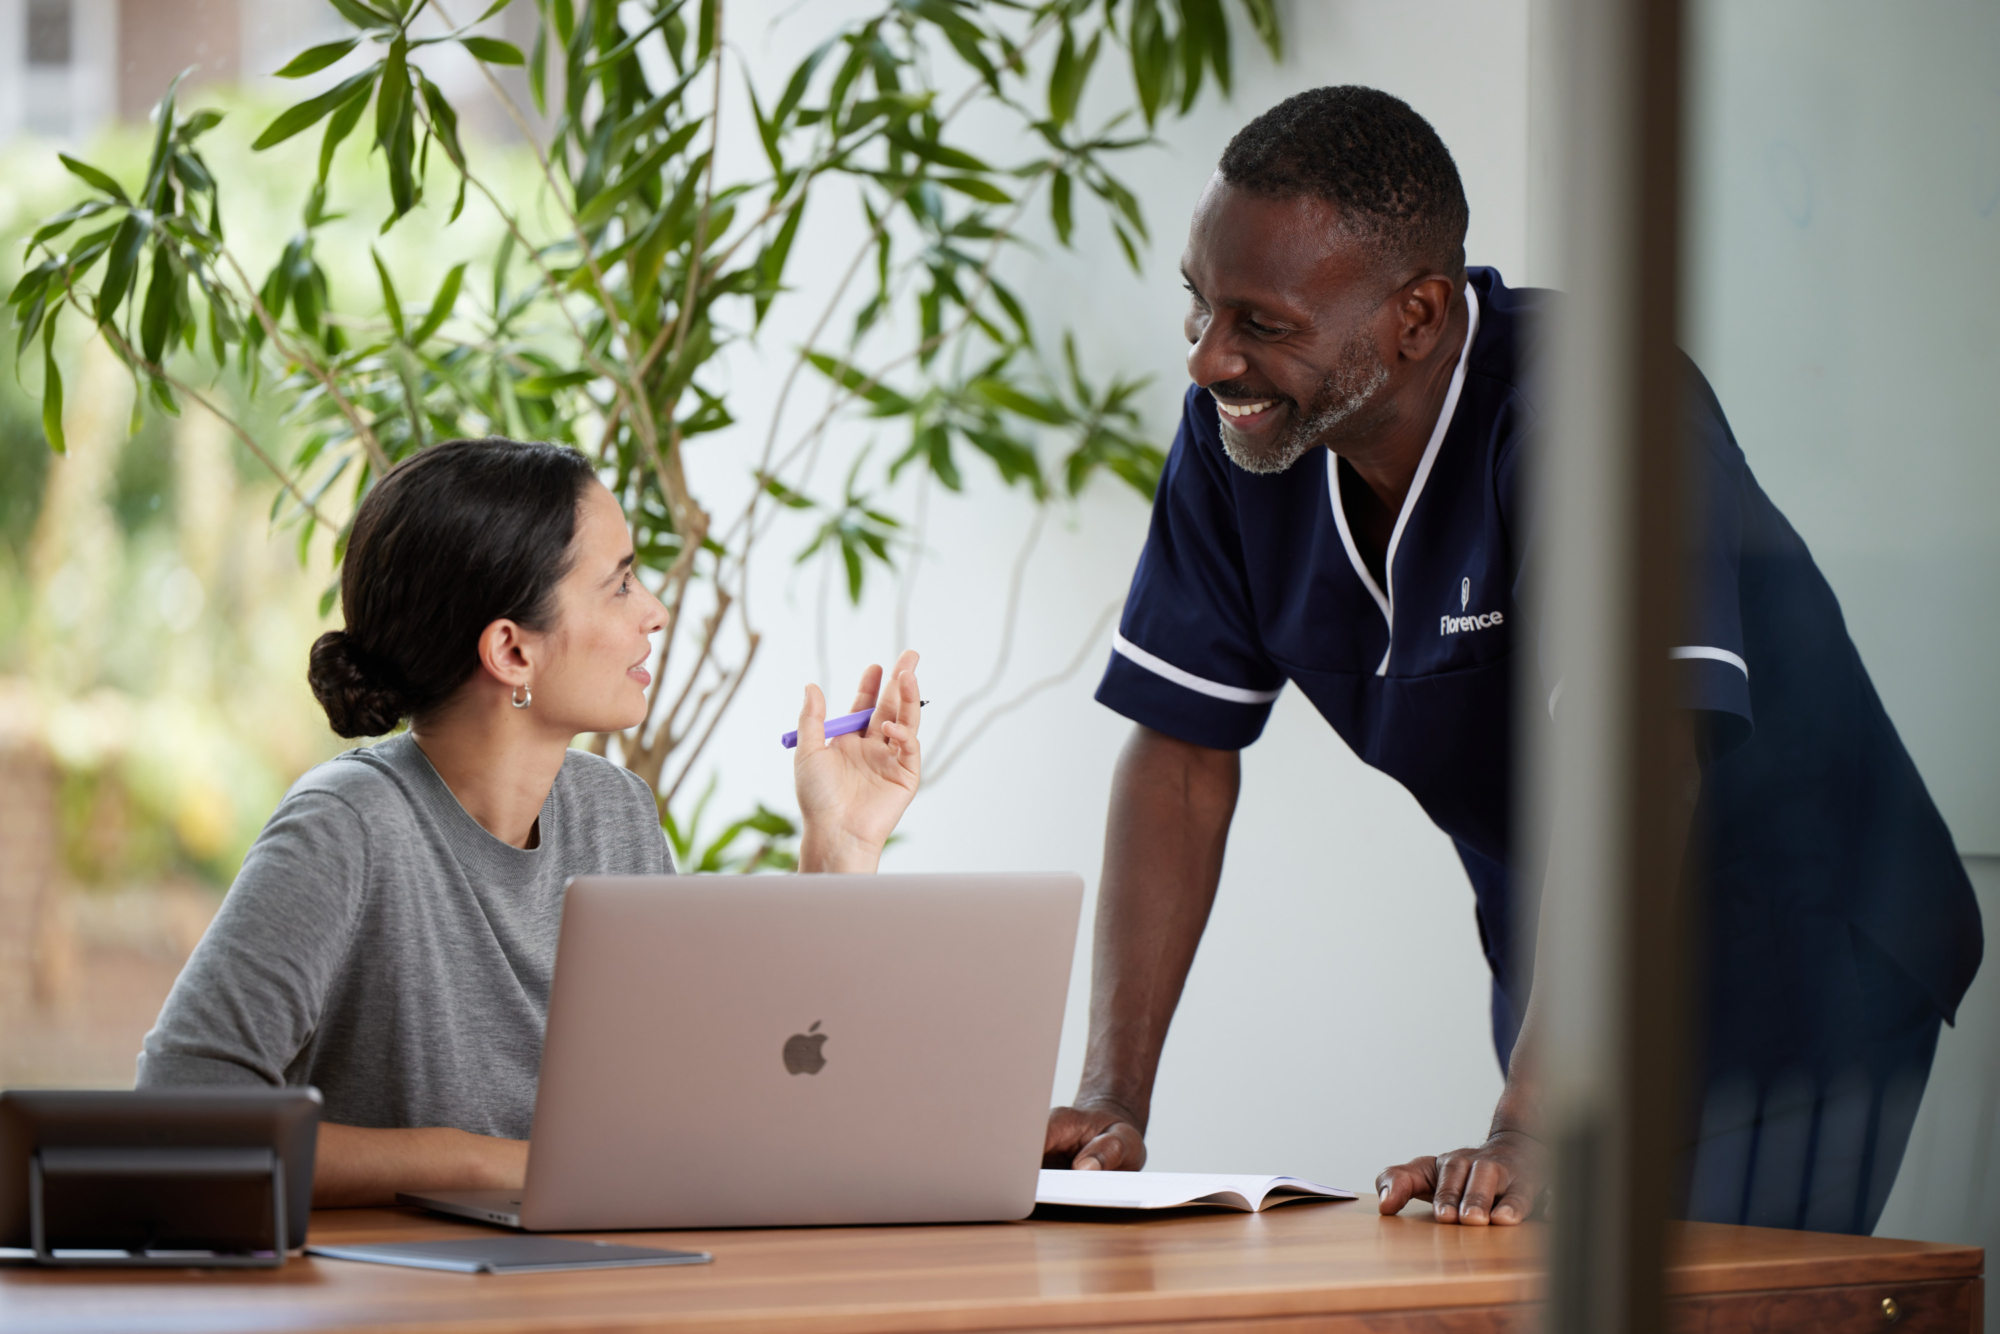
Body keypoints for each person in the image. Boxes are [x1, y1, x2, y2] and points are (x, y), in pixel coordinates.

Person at [1041, 86, 1982, 1235]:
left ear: (1418, 317)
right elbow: (1181, 756)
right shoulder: (1244, 437)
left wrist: (1530, 1121)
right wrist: (1108, 1098)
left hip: (1796, 951)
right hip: (1558, 962)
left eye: (1261, 322)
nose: (1207, 361)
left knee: (1713, 1305)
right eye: (1196, 307)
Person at [137, 437, 924, 1207]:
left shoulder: (613, 814)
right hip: (389, 1296)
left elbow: (709, 1090)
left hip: (577, 1273)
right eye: (619, 585)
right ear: (511, 653)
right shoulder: (347, 826)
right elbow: (180, 1120)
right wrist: (484, 1162)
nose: (654, 612)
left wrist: (838, 847)